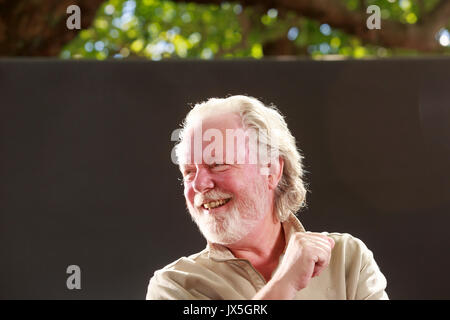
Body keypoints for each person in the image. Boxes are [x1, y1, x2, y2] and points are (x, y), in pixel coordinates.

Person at [146, 95, 388, 300]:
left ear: (271, 170)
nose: (198, 184)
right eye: (188, 172)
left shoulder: (347, 259)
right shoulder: (174, 286)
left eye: (217, 164)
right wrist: (285, 284)